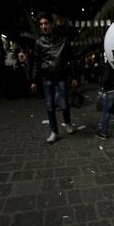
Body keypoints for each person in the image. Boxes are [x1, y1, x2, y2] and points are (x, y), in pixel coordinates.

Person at [31, 12, 77, 143]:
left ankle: (68, 122)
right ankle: (54, 132)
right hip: (47, 78)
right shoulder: (39, 43)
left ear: (51, 24)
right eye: (41, 24)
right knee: (50, 106)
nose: (43, 26)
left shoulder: (63, 40)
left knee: (63, 104)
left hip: (61, 76)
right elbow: (36, 62)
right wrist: (34, 80)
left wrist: (74, 76)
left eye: (46, 23)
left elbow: (71, 59)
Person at [96, 62, 114, 141]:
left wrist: (103, 86)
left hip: (111, 90)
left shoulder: (110, 62)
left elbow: (105, 78)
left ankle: (103, 133)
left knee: (106, 112)